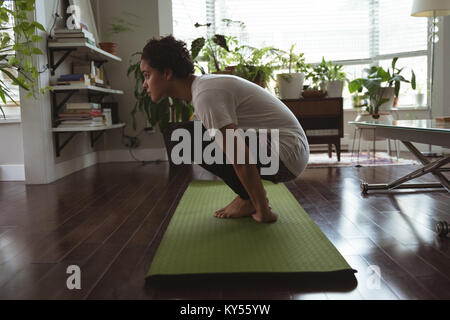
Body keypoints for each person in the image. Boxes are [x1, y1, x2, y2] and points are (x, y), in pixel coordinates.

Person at [140, 35, 309, 223]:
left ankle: (251, 201)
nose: (144, 84)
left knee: (183, 137)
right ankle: (248, 198)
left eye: (147, 75)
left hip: (286, 153)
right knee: (188, 134)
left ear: (167, 73)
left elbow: (240, 157)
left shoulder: (205, 94)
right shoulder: (202, 89)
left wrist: (263, 211)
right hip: (283, 150)